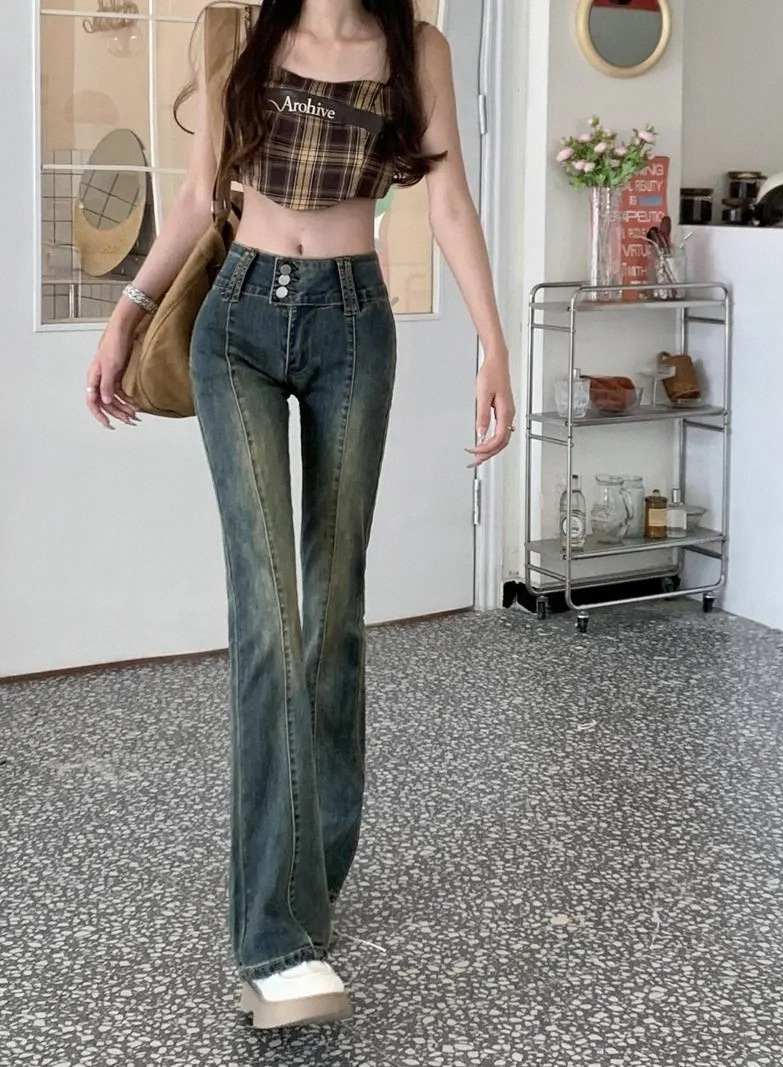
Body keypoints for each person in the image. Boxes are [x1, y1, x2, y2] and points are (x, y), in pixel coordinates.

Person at [84, 0, 515, 1031]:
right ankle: (273, 940)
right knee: (271, 615)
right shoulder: (235, 32)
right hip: (235, 319)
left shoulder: (417, 49)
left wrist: (494, 347)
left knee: (331, 615)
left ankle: (308, 876)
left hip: (351, 323)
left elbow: (450, 203)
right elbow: (199, 194)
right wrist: (128, 312)